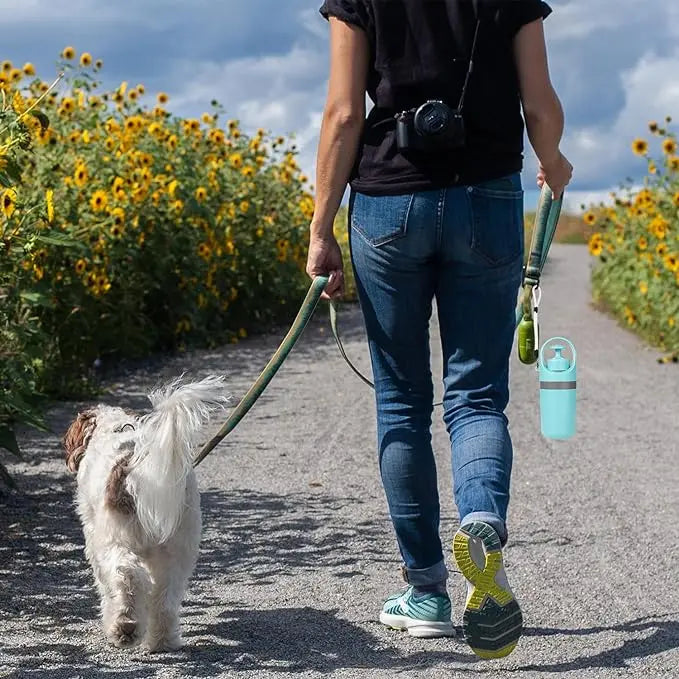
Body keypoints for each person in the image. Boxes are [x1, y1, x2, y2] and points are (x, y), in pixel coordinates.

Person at [306, 0, 573, 660]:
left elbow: (343, 113)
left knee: (400, 402)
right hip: (485, 196)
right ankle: (481, 520)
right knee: (476, 396)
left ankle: (425, 593)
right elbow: (538, 102)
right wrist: (553, 160)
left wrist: (320, 228)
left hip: (387, 200)